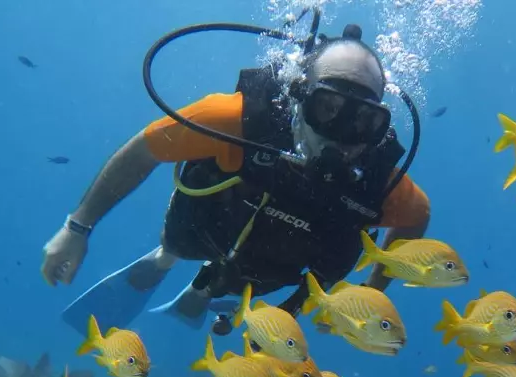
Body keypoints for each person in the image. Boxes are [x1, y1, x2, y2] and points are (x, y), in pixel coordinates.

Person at [44, 23, 430, 337]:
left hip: (273, 272)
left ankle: (217, 289)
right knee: (181, 240)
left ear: (380, 126)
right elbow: (143, 151)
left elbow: (417, 217)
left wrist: (372, 293)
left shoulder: (378, 180)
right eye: (327, 108)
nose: (341, 135)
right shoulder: (237, 120)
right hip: (201, 232)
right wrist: (77, 227)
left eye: (363, 121)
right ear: (299, 97)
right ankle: (167, 259)